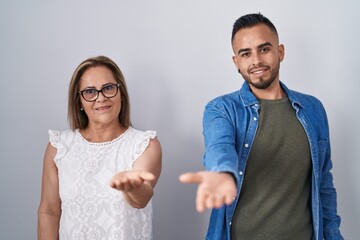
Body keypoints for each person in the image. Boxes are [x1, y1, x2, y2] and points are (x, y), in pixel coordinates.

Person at [180, 13, 343, 240]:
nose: (256, 60)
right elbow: (219, 147)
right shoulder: (221, 109)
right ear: (236, 62)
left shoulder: (313, 109)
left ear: (280, 52)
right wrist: (222, 174)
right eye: (246, 54)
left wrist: (334, 235)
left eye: (264, 49)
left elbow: (324, 184)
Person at [37, 56, 162, 240]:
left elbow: (140, 200)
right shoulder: (59, 147)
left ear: (121, 93)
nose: (101, 98)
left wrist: (131, 186)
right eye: (89, 91)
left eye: (108, 88)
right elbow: (49, 212)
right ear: (79, 100)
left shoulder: (144, 144)